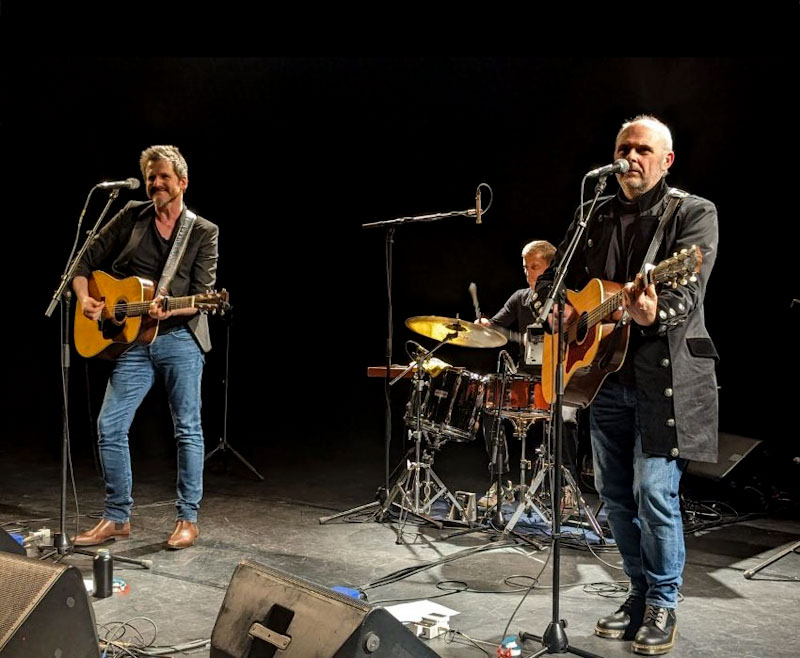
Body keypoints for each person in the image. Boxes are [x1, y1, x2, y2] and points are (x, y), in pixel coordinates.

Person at [536, 115, 718, 655]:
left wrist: (650, 312)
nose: (630, 158)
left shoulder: (692, 213)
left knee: (654, 493)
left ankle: (663, 602)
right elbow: (553, 278)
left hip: (665, 381)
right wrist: (556, 310)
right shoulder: (593, 210)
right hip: (603, 378)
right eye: (624, 148)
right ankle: (637, 594)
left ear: (667, 160)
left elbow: (687, 294)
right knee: (615, 496)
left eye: (642, 150)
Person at [71, 145, 219, 550]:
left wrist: (168, 308)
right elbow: (83, 263)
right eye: (151, 176)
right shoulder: (132, 215)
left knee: (187, 429)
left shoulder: (202, 231)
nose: (156, 183)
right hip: (134, 343)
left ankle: (187, 519)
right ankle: (117, 517)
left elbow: (203, 295)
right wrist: (85, 299)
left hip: (180, 338)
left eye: (164, 177)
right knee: (109, 426)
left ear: (182, 182)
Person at [477, 240, 581, 509]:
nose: (528, 273)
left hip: (559, 376)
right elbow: (496, 326)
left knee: (565, 416)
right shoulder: (520, 298)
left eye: (534, 267)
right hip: (526, 377)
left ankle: (566, 486)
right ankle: (500, 482)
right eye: (525, 267)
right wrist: (486, 325)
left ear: (550, 268)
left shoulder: (568, 299)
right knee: (491, 407)